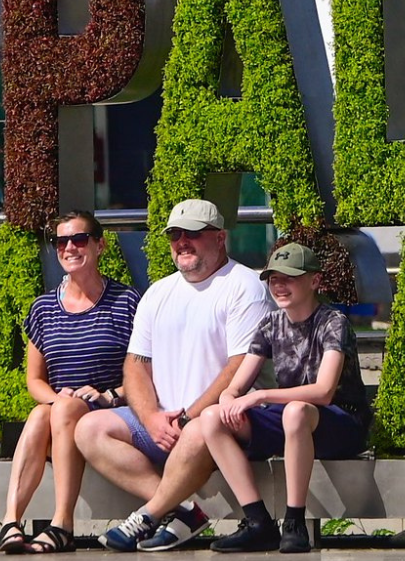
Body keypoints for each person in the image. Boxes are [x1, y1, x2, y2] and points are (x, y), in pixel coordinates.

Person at [75, 199, 273, 552]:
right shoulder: (158, 292)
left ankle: (149, 514)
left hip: (218, 422)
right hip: (165, 423)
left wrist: (188, 416)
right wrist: (151, 418)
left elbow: (239, 365)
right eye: (175, 235)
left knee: (202, 426)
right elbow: (136, 363)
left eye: (194, 234)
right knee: (89, 428)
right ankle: (184, 511)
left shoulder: (245, 286)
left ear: (220, 238)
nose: (182, 241)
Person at [197, 242, 371, 553]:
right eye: (273, 279)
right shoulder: (270, 324)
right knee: (212, 419)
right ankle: (258, 522)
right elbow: (234, 388)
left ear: (314, 281)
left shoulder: (333, 322)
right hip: (293, 422)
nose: (279, 285)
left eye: (289, 278)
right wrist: (228, 400)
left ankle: (294, 522)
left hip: (341, 423)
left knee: (295, 412)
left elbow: (324, 391)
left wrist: (259, 395)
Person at [0, 211, 141, 555]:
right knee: (40, 414)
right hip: (63, 413)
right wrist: (56, 398)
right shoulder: (43, 308)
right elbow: (34, 379)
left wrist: (110, 394)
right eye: (62, 242)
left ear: (99, 245)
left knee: (58, 411)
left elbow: (147, 373)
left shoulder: (127, 302)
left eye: (79, 239)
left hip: (111, 411)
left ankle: (62, 522)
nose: (70, 248)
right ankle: (10, 520)